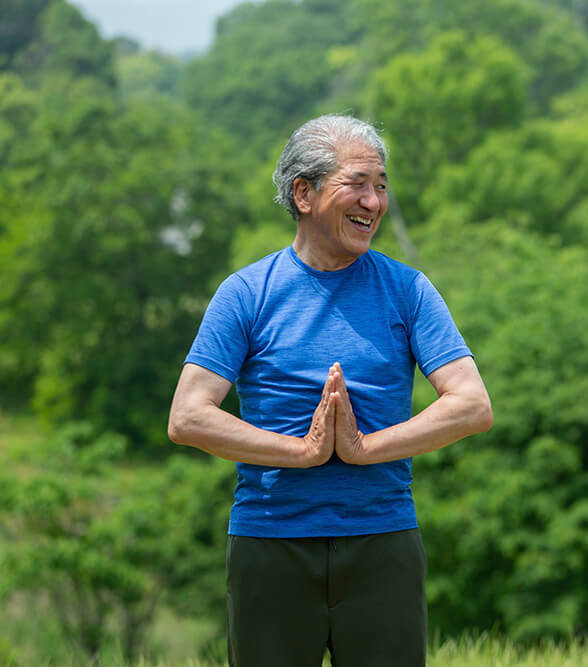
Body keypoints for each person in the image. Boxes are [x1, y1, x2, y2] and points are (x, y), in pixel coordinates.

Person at [167, 114, 493, 667]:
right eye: (358, 184)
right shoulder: (246, 293)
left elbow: (472, 405)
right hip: (270, 542)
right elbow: (188, 416)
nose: (374, 202)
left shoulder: (409, 289)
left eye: (381, 186)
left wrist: (365, 448)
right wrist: (302, 452)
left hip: (383, 541)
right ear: (304, 193)